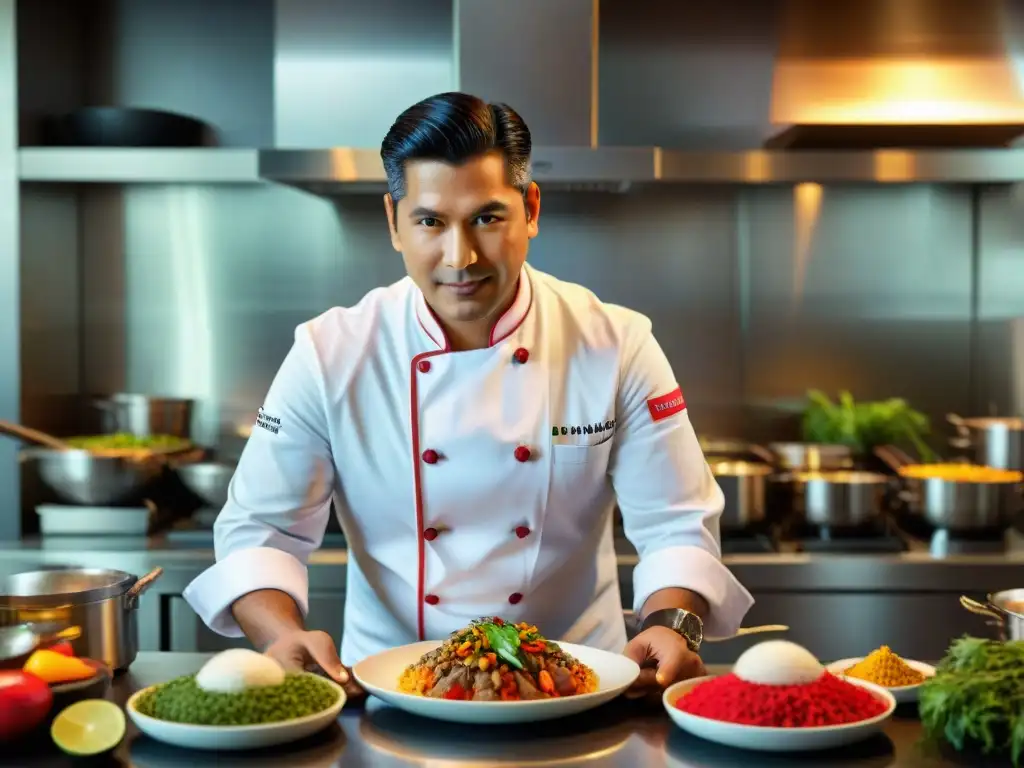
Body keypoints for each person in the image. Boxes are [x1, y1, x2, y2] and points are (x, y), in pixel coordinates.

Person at [183, 91, 753, 700]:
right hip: (390, 691)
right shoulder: (330, 352)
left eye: (487, 217)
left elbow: (675, 524)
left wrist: (673, 625)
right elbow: (261, 533)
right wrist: (277, 636)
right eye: (430, 221)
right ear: (393, 222)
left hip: (577, 688)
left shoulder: (617, 343)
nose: (461, 258)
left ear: (530, 209)